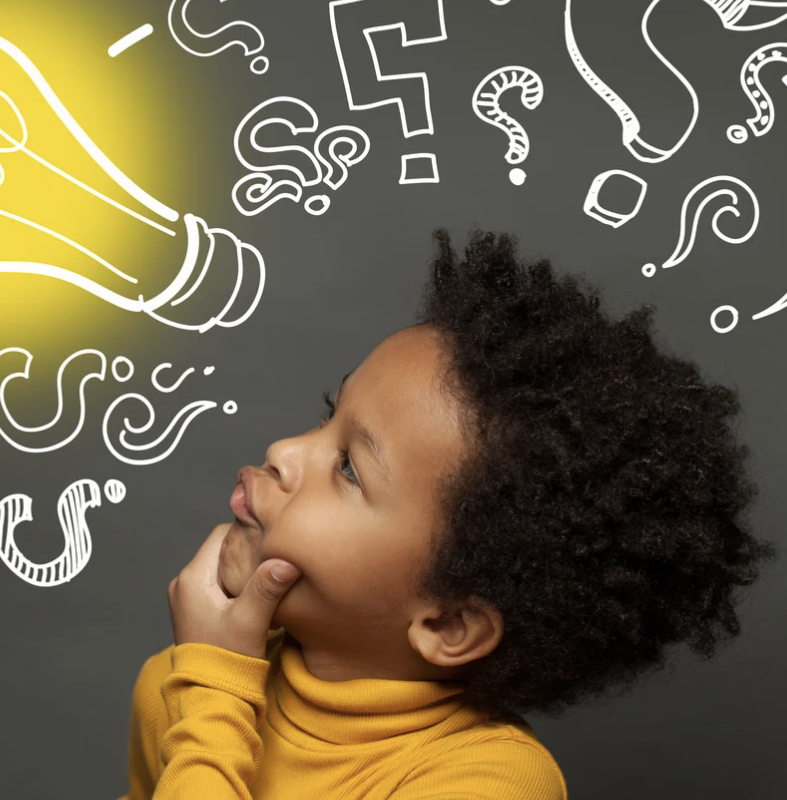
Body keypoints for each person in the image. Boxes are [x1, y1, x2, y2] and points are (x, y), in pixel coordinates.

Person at [118, 228, 775, 799]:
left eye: (348, 467)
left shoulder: (492, 782)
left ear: (450, 621)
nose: (284, 451)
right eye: (328, 411)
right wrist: (206, 686)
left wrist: (213, 695)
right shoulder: (177, 685)